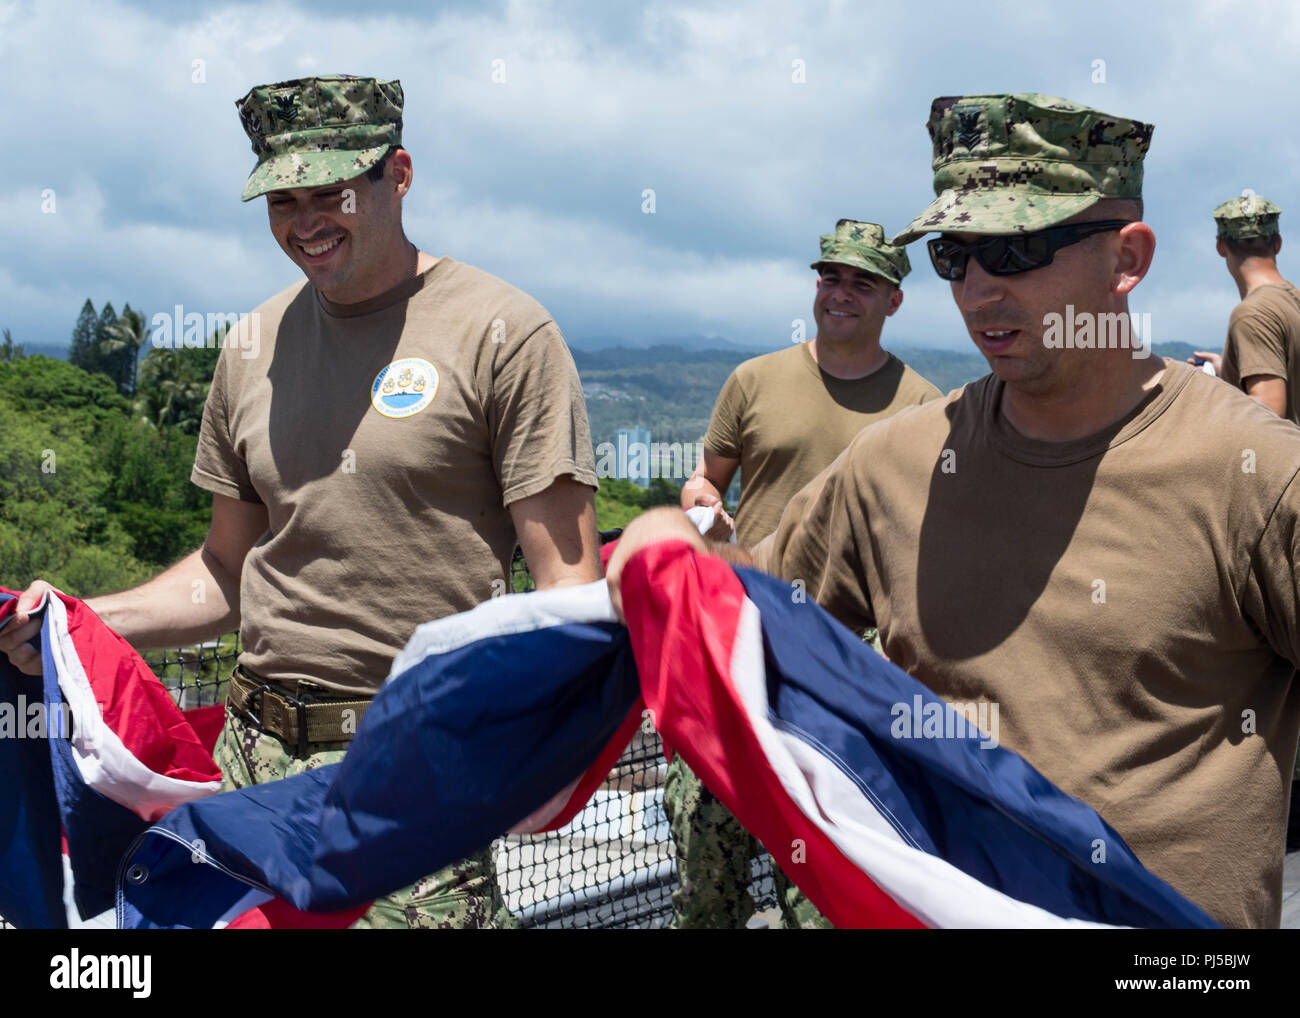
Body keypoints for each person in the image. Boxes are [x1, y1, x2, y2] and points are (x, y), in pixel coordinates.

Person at [608, 93, 1300, 928]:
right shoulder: (897, 464)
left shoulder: (1256, 475)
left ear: (1126, 258)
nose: (977, 292)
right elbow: (761, 611)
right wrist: (670, 554)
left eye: (1015, 249)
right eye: (954, 256)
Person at [1, 74, 601, 928]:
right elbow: (224, 574)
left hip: (409, 773)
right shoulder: (252, 347)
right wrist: (74, 627)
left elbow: (568, 590)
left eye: (333, 192)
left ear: (398, 174)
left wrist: (505, 762)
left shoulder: (505, 334)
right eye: (283, 199)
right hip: (250, 767)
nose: (305, 221)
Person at [669, 220, 940, 928]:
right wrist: (702, 508)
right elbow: (706, 481)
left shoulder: (923, 407)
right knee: (707, 880)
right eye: (831, 277)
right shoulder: (753, 381)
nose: (841, 293)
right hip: (740, 645)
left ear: (894, 300)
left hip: (848, 668)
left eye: (862, 282)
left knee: (826, 896)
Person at [1190, 195, 1300, 425]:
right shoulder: (1293, 300)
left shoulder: (1252, 314)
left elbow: (1269, 408)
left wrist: (1208, 395)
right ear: (1278, 242)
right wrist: (1228, 373)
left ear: (1221, 246)